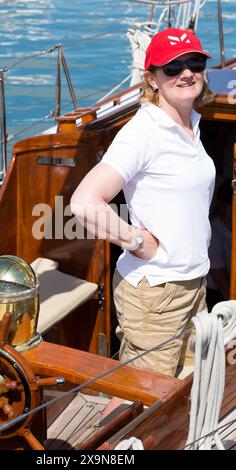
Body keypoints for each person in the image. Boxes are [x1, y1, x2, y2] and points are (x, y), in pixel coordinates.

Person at [70, 27, 215, 382]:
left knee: (190, 389)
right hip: (156, 296)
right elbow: (84, 203)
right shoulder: (143, 133)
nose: (186, 73)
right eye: (172, 67)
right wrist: (136, 241)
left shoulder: (189, 125)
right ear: (151, 78)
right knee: (146, 404)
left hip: (192, 283)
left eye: (194, 62)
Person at [206, 178, 232, 309]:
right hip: (215, 295)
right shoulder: (213, 231)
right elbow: (222, 283)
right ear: (220, 204)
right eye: (231, 204)